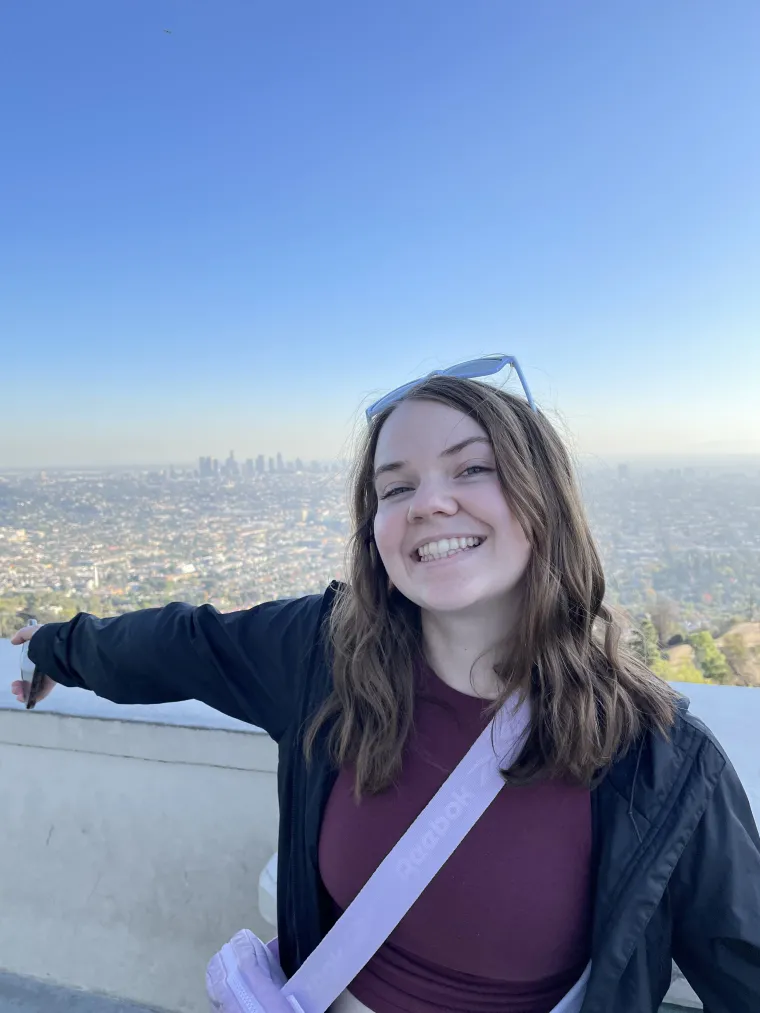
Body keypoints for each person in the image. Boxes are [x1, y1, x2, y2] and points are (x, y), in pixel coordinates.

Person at [11, 358, 760, 1013]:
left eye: (473, 468)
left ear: (546, 499)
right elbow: (178, 643)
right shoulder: (321, 656)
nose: (429, 502)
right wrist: (52, 646)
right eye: (394, 488)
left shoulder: (661, 763)